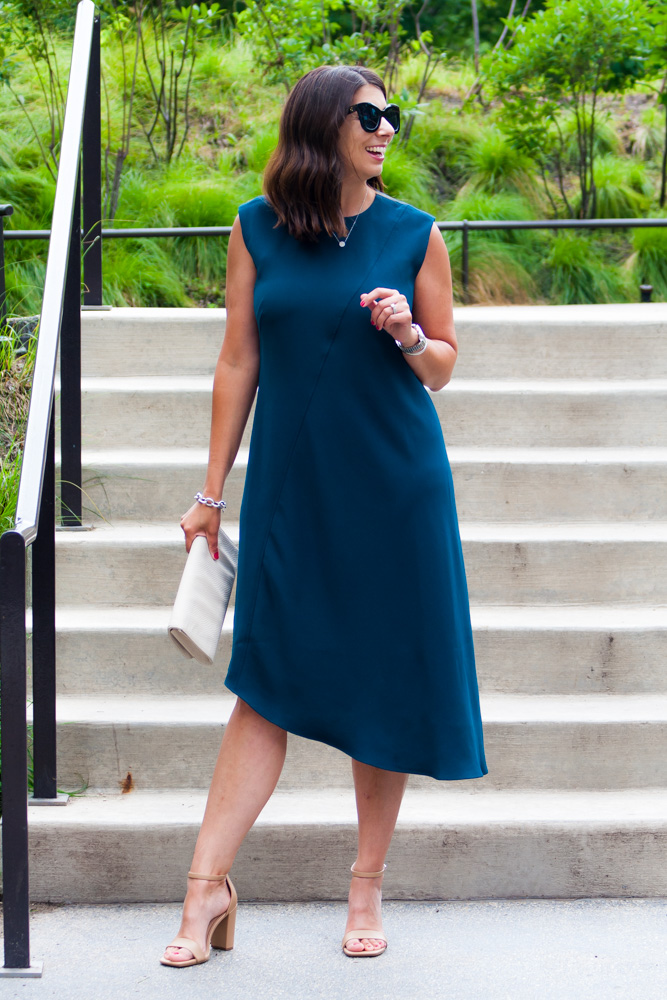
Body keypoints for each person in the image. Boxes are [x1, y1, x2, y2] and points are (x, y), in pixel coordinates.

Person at [160, 63, 487, 968]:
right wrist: (210, 490)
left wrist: (409, 336)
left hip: (395, 488)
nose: (386, 129)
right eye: (368, 116)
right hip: (292, 493)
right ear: (319, 126)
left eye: (393, 116)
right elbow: (237, 363)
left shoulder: (415, 235)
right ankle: (205, 889)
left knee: (382, 681)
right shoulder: (256, 228)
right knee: (261, 686)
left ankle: (366, 886)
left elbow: (443, 365)